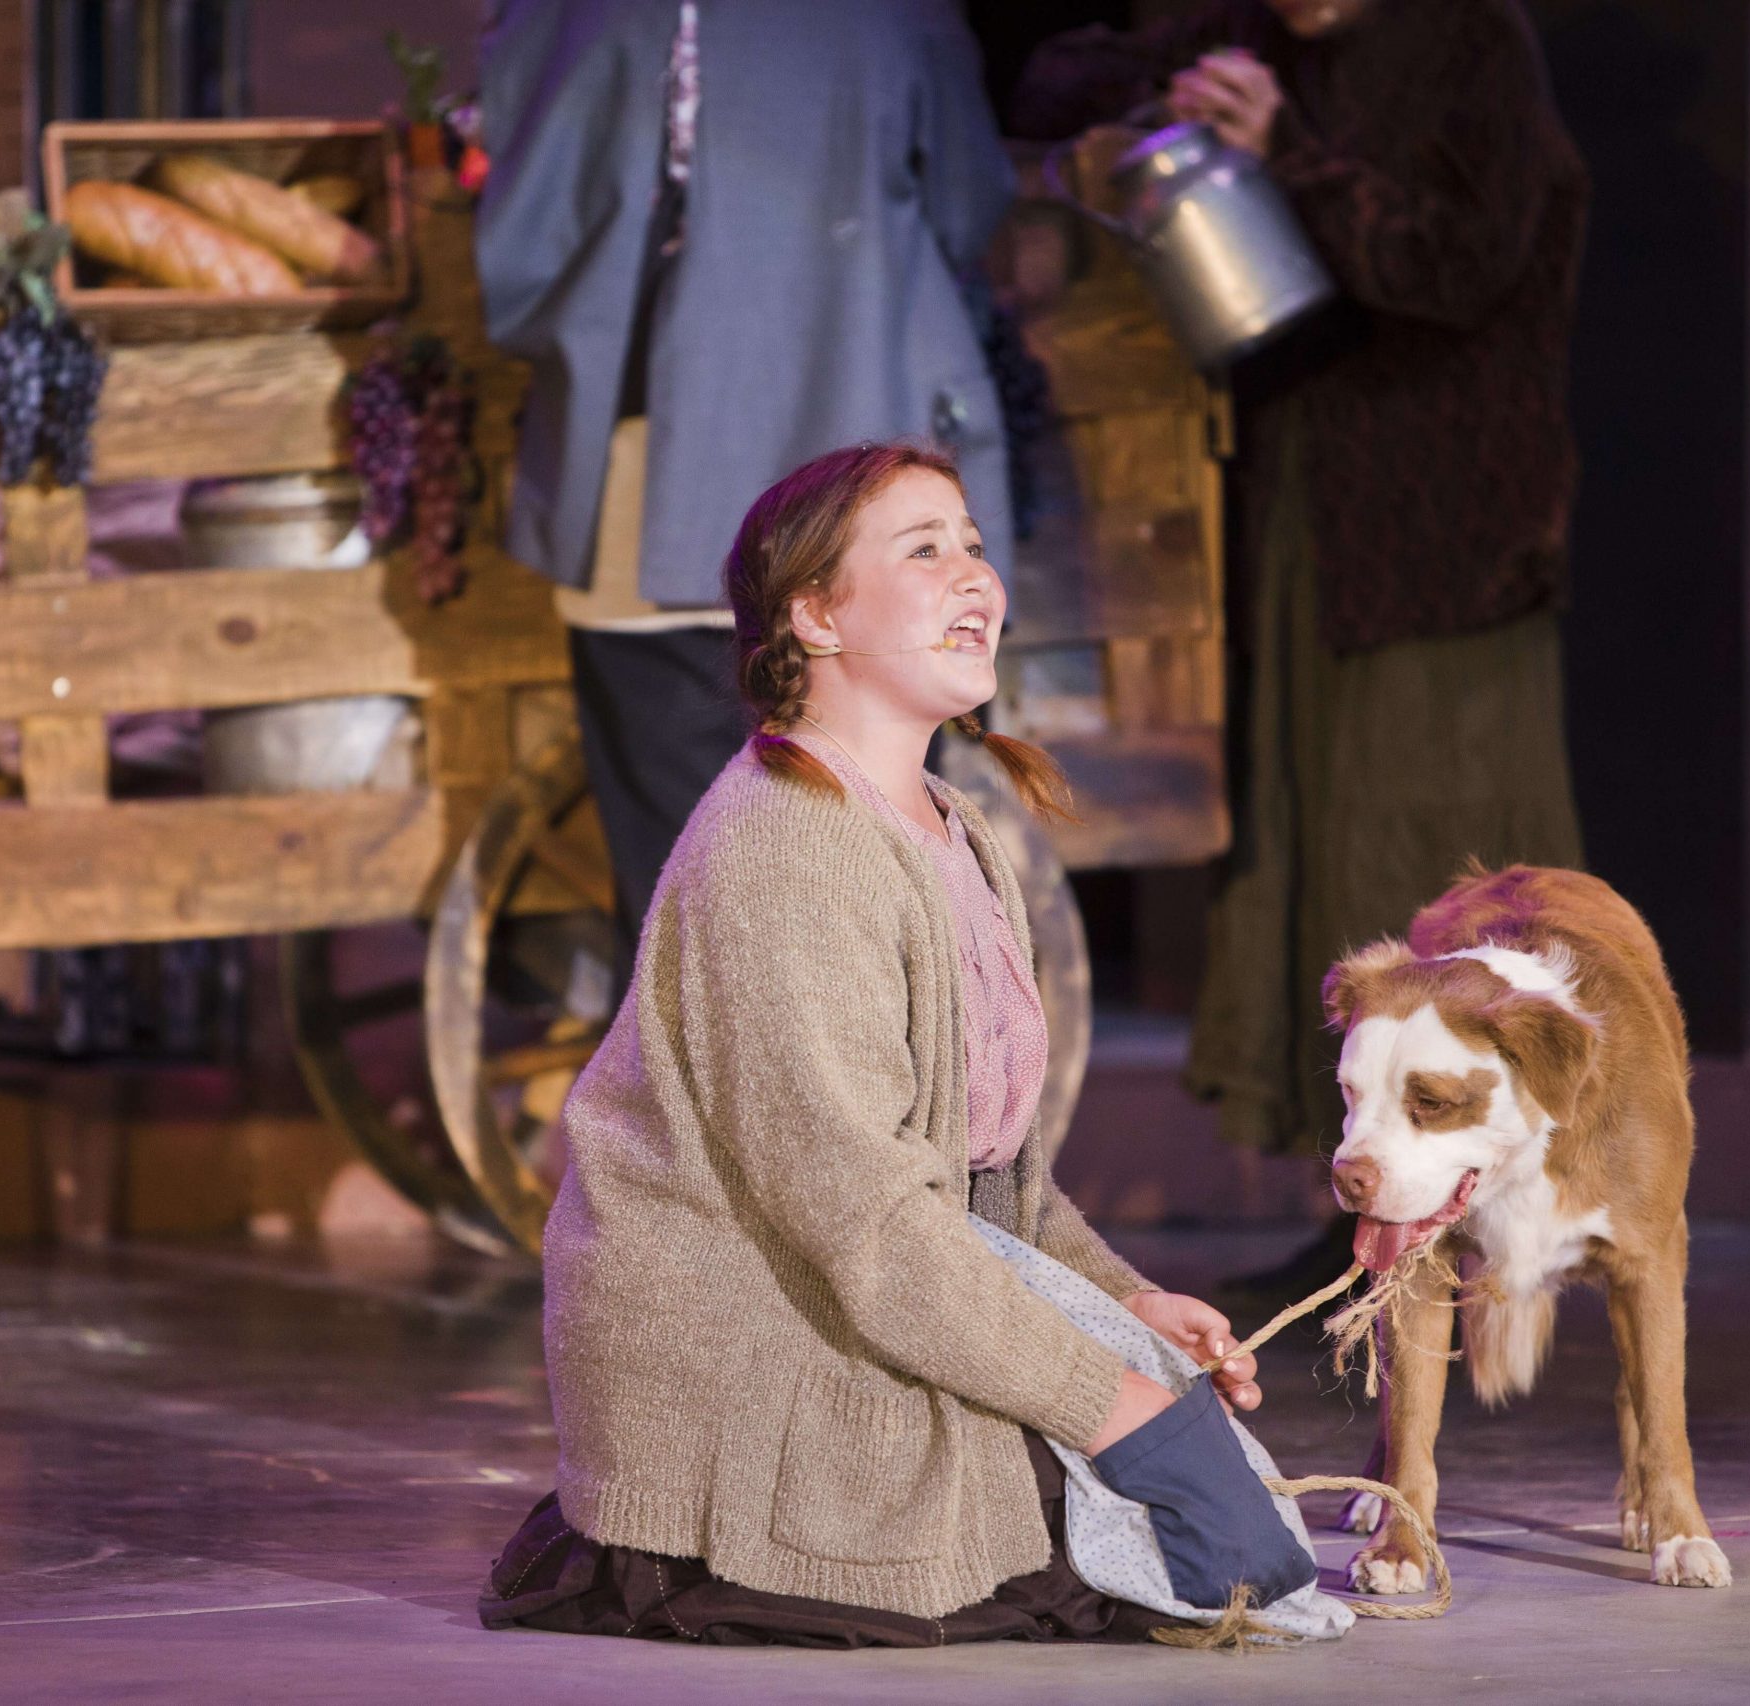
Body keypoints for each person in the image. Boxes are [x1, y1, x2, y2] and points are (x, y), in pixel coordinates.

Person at [478, 444, 1287, 1645]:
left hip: (877, 1286)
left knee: (1237, 1541)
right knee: (1144, 1545)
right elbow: (865, 1219)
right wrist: (1108, 1398)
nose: (974, 576)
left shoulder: (951, 827)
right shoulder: (785, 846)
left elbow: (985, 1179)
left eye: (973, 544)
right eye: (923, 549)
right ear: (813, 614)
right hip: (767, 1342)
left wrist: (1125, 1303)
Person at [1013, 0, 1589, 1294]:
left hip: (1448, 536)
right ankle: (1375, 1210)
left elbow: (1465, 262)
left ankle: (1489, 1211)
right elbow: (1056, 77)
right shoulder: (1266, 33)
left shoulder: (1469, 40)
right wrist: (1167, 94)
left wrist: (1292, 155)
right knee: (1331, 858)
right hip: (1309, 525)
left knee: (1441, 861)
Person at [475, 1, 1018, 969]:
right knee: (875, 877)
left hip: (661, 491)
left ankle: (715, 1062)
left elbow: (525, 247)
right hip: (869, 520)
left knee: (678, 898)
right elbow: (970, 204)